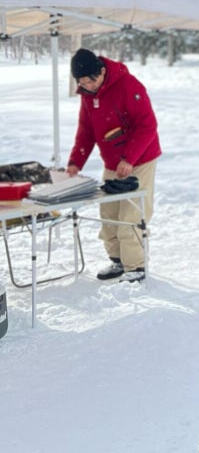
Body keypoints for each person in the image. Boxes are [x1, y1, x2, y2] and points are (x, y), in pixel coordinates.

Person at [67, 48, 161, 283]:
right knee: (109, 213)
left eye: (91, 81)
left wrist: (129, 158)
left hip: (139, 159)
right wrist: (75, 162)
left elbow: (148, 126)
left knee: (131, 214)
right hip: (112, 162)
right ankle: (118, 260)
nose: (87, 86)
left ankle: (136, 265)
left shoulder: (128, 85)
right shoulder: (88, 95)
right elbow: (86, 131)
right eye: (82, 82)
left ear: (101, 71)